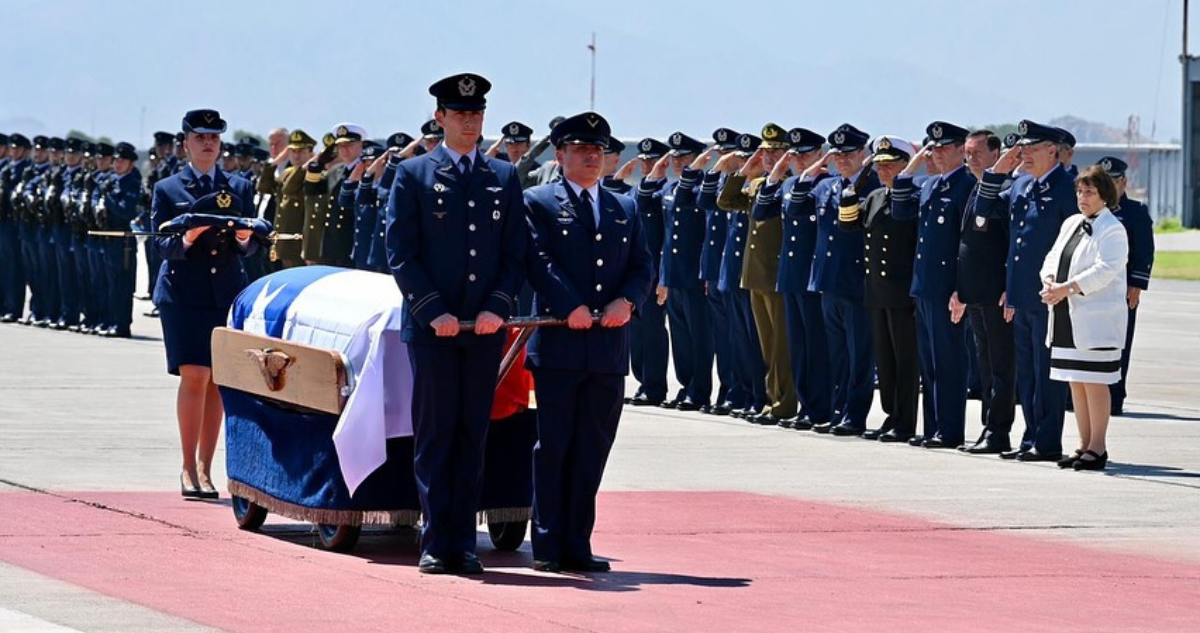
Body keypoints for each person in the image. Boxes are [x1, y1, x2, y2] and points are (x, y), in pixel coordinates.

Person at [386, 73, 526, 575]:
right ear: (440, 118)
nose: (470, 122)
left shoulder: (503, 176)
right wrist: (432, 310)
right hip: (434, 330)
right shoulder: (415, 174)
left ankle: (463, 542)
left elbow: (515, 253)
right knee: (435, 435)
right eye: (460, 114)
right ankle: (434, 538)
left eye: (476, 114)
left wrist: (496, 307)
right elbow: (401, 253)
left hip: (483, 330)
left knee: (472, 435)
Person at [523, 111, 652, 573]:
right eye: (581, 149)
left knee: (593, 446)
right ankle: (547, 542)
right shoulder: (538, 201)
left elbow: (642, 265)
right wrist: (568, 305)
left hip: (607, 349)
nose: (592, 157)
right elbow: (537, 259)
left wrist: (628, 302)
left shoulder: (625, 206)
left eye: (599, 150)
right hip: (560, 343)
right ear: (561, 155)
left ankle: (578, 541)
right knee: (554, 445)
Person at [151, 109, 258, 500]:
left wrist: (246, 238)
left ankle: (205, 467)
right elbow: (159, 243)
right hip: (183, 295)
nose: (208, 144)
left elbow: (252, 244)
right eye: (200, 137)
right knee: (194, 375)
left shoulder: (240, 187)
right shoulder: (168, 189)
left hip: (224, 293)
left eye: (213, 138)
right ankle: (185, 464)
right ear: (186, 144)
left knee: (216, 381)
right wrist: (188, 238)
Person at [975, 120, 1077, 462]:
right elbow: (984, 211)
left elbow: (1077, 242)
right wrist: (998, 170)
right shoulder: (1021, 186)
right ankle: (1031, 436)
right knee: (1028, 371)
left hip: (1052, 296)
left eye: (1031, 149)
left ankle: (1047, 441)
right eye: (1022, 150)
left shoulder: (1067, 189)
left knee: (1048, 371)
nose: (1025, 155)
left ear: (1053, 150)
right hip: (1020, 293)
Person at [892, 122, 977, 449]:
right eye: (932, 148)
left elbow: (966, 244)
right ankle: (933, 427)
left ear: (960, 150)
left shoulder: (966, 186)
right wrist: (913, 165)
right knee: (928, 363)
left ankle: (950, 429)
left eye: (943, 148)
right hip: (925, 285)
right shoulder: (929, 186)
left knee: (949, 362)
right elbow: (901, 207)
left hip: (947, 289)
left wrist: (961, 289)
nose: (936, 154)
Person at [1038, 165, 1128, 471]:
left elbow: (1106, 270)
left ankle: (1098, 447)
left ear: (1105, 195)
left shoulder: (1112, 228)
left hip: (1095, 319)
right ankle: (1083, 443)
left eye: (1089, 192)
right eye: (1079, 191)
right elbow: (1053, 256)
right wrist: (1049, 281)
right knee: (1076, 381)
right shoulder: (1072, 223)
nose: (1082, 197)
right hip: (1066, 315)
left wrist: (1068, 288)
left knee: (1095, 381)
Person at [837, 135, 919, 442]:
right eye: (880, 165)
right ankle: (890, 414)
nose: (883, 171)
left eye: (890, 165)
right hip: (876, 290)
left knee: (905, 360)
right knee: (885, 360)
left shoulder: (910, 197)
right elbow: (847, 225)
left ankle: (905, 420)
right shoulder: (872, 197)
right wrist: (852, 188)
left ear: (905, 166)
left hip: (900, 291)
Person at [718, 124, 798, 425]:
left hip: (777, 274)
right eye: (764, 152)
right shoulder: (757, 184)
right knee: (766, 344)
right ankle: (770, 398)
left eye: (775, 152)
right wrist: (743, 171)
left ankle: (784, 402)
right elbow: (725, 201)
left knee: (781, 345)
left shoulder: (789, 185)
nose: (768, 157)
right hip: (755, 275)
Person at [959, 131, 1018, 454]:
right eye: (967, 153)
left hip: (997, 292)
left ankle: (999, 429)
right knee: (984, 364)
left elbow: (1010, 244)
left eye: (978, 152)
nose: (971, 158)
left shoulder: (1006, 190)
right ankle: (988, 426)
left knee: (1001, 365)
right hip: (976, 291)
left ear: (997, 153)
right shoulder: (976, 189)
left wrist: (1010, 286)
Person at [1098, 157, 1154, 416]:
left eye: (1112, 182)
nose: (1108, 187)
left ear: (1123, 182)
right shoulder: (1090, 211)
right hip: (1092, 289)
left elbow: (1144, 250)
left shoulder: (1135, 212)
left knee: (1119, 343)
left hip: (1121, 291)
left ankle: (1114, 396)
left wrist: (1137, 283)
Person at [628, 138, 671, 406]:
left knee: (654, 331)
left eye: (652, 161)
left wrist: (664, 277)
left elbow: (669, 238)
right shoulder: (637, 191)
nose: (647, 165)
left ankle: (654, 386)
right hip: (636, 273)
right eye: (644, 161)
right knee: (637, 332)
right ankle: (642, 379)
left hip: (655, 273)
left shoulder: (662, 192)